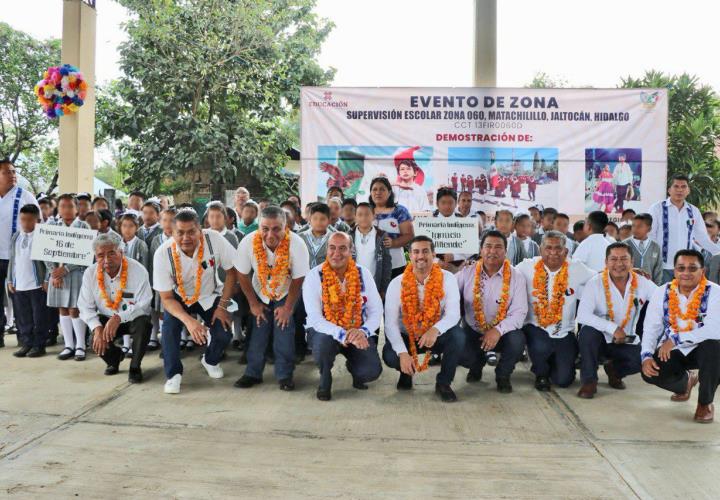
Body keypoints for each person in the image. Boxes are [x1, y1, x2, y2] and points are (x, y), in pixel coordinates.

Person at [153, 208, 240, 394]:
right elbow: (166, 298)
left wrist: (223, 306)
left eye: (191, 231)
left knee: (224, 332)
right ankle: (173, 374)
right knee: (169, 331)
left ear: (200, 230)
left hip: (209, 293)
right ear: (171, 232)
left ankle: (210, 360)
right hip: (177, 298)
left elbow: (233, 272)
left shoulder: (214, 239)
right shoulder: (162, 254)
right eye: (180, 233)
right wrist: (190, 322)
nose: (186, 237)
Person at [234, 206, 310, 391]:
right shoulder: (248, 242)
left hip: (286, 291)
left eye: (276, 228)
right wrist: (253, 303)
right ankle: (252, 373)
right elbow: (242, 274)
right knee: (258, 331)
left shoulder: (297, 244)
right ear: (259, 227)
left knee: (284, 331)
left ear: (286, 227)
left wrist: (288, 308)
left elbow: (299, 278)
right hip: (260, 291)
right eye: (265, 228)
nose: (270, 234)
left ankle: (285, 376)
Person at [641, 249, 720, 423]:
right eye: (681, 268)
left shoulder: (715, 292)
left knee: (715, 347)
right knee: (649, 373)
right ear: (675, 271)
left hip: (704, 349)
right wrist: (646, 355)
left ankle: (705, 403)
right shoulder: (662, 292)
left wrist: (676, 338)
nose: (686, 273)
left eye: (692, 268)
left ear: (703, 271)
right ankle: (686, 382)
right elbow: (651, 327)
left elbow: (715, 329)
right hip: (673, 349)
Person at [382, 236, 464, 402]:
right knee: (391, 355)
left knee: (458, 336)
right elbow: (389, 324)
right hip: (407, 335)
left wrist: (435, 329)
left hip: (434, 335)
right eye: (416, 252)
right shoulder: (397, 283)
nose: (421, 256)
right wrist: (403, 353)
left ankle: (444, 383)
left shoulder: (447, 278)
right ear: (410, 255)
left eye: (425, 251)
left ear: (433, 254)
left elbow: (454, 314)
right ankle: (406, 373)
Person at [303, 232, 383, 401]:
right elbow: (315, 319)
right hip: (325, 331)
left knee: (370, 372)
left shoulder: (364, 274)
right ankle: (325, 379)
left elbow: (376, 311)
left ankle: (355, 369)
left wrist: (363, 331)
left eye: (342, 248)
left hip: (357, 330)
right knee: (323, 346)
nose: (336, 253)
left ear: (351, 251)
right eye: (332, 248)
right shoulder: (314, 276)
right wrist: (342, 334)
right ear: (326, 250)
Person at [576, 243, 657, 398]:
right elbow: (583, 315)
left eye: (624, 259)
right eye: (613, 259)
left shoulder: (642, 282)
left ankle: (615, 371)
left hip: (626, 339)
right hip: (599, 339)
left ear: (632, 262)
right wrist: (612, 328)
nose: (619, 264)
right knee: (587, 333)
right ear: (606, 262)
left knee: (642, 359)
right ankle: (589, 381)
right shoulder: (595, 282)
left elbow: (662, 299)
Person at [517, 231, 596, 391]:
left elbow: (601, 278)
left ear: (566, 252)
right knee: (541, 345)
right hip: (535, 327)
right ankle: (541, 373)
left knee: (563, 380)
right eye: (548, 248)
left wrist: (632, 271)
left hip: (564, 331)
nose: (553, 253)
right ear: (540, 250)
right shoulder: (527, 266)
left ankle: (554, 362)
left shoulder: (576, 268)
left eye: (558, 248)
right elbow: (506, 275)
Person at [456, 231, 528, 392]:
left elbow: (519, 313)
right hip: (473, 329)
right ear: (481, 250)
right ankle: (476, 366)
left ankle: (503, 375)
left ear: (506, 251)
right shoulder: (466, 272)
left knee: (518, 341)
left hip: (503, 333)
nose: (492, 251)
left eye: (498, 247)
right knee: (457, 348)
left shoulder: (517, 277)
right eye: (488, 246)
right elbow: (449, 296)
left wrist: (497, 330)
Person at [78, 232, 152, 383]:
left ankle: (135, 367)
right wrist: (97, 328)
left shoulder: (138, 270)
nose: (106, 260)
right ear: (95, 256)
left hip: (132, 318)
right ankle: (114, 360)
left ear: (121, 252)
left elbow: (144, 304)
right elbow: (85, 307)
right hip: (106, 317)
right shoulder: (90, 273)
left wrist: (119, 317)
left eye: (111, 253)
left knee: (144, 324)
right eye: (100, 255)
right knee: (94, 336)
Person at [649, 174, 720, 284]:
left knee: (684, 299)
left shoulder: (693, 211)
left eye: (683, 187)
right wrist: (652, 261)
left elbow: (702, 237)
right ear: (669, 190)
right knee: (663, 298)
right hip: (662, 266)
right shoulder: (657, 208)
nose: (680, 190)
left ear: (688, 190)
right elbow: (650, 235)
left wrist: (718, 251)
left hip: (685, 268)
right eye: (676, 186)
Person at [45, 194, 91, 361]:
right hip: (57, 276)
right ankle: (68, 345)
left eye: (70, 206)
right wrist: (54, 272)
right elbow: (46, 253)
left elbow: (86, 253)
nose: (66, 209)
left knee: (75, 309)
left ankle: (80, 345)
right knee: (62, 308)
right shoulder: (52, 226)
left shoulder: (83, 227)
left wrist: (65, 269)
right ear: (58, 208)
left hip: (76, 274)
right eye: (63, 206)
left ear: (77, 208)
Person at [0, 160, 39, 347]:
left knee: (20, 300)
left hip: (17, 259)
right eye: (7, 172)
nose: (13, 175)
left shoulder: (25, 196)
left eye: (14, 171)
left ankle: (25, 339)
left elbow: (39, 226)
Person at [7, 204, 48, 357]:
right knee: (23, 318)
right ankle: (27, 343)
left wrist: (46, 279)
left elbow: (49, 261)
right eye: (22, 219)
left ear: (37, 221)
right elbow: (13, 260)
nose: (25, 223)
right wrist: (10, 280)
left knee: (38, 317)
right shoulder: (16, 236)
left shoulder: (42, 236)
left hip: (36, 285)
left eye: (29, 220)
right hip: (20, 285)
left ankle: (39, 345)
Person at [368, 176, 414, 279]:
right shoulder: (365, 211)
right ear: (370, 193)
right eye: (374, 189)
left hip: (396, 264)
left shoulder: (399, 211)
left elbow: (409, 235)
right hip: (371, 264)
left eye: (382, 189)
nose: (377, 192)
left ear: (389, 192)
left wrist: (394, 243)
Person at [147, 207, 176, 350]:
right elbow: (153, 264)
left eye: (172, 220)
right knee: (162, 314)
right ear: (160, 221)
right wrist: (154, 284)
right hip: (161, 283)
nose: (168, 223)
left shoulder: (179, 239)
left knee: (175, 312)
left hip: (177, 283)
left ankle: (179, 339)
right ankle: (165, 343)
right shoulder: (156, 240)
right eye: (165, 220)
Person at [350, 202, 392, 298]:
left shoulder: (381, 235)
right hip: (353, 285)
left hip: (374, 285)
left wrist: (383, 289)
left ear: (373, 216)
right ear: (355, 217)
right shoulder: (348, 236)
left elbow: (386, 264)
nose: (363, 217)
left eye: (367, 214)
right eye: (360, 214)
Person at [624, 213, 663, 285]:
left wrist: (656, 287)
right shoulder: (624, 245)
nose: (635, 229)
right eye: (633, 226)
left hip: (648, 287)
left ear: (649, 229)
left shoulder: (655, 247)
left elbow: (658, 269)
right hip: (628, 285)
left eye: (639, 226)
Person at [391, 146, 432, 212]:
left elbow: (426, 211)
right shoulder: (394, 189)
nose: (405, 171)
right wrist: (399, 184)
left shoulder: (420, 190)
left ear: (415, 173)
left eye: (408, 168)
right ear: (399, 173)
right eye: (402, 169)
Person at [298, 203, 336, 269]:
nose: (318, 222)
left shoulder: (334, 238)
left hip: (327, 276)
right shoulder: (300, 237)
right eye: (315, 219)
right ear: (309, 220)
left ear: (329, 220)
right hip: (304, 276)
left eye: (322, 219)